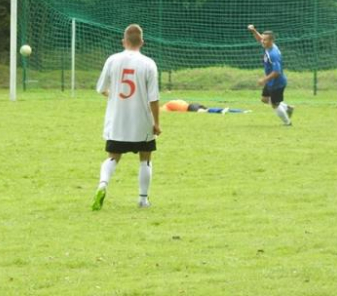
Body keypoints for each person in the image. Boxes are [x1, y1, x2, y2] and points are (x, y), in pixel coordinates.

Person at [92, 24, 161, 211]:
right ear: (142, 42)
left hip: (117, 121)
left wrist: (114, 95)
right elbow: (154, 99)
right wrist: (157, 123)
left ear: (124, 41)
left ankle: (103, 185)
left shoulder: (112, 60)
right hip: (142, 122)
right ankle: (142, 199)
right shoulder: (149, 64)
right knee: (145, 158)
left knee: (112, 158)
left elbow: (101, 89)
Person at [247, 25, 293, 126]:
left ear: (271, 40)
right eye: (262, 39)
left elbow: (277, 72)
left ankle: (287, 123)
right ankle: (286, 108)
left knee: (275, 105)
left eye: (265, 40)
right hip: (271, 81)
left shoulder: (273, 54)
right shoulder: (268, 46)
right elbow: (260, 39)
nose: (262, 41)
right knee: (264, 99)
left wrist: (264, 80)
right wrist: (254, 31)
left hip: (277, 83)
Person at [160, 100, 249, 114]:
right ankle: (240, 111)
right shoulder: (170, 103)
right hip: (193, 104)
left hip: (191, 107)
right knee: (207, 109)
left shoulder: (165, 107)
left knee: (207, 111)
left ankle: (221, 110)